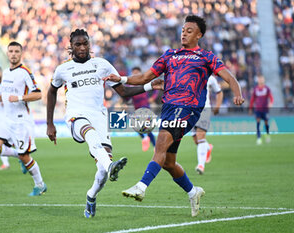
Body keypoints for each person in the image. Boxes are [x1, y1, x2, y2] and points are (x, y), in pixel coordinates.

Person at [104, 15, 244, 217]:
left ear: (199, 35)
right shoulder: (170, 55)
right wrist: (122, 78)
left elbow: (229, 78)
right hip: (169, 108)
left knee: (161, 142)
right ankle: (193, 191)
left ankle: (141, 186)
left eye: (189, 30)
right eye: (183, 30)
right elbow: (145, 77)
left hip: (189, 108)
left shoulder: (207, 57)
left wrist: (237, 93)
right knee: (168, 162)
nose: (184, 33)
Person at [46, 29, 163, 218]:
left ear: (90, 44)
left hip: (99, 117)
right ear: (71, 46)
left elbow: (123, 92)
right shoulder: (63, 69)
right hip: (75, 116)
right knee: (90, 134)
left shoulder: (102, 65)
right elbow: (51, 91)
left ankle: (91, 195)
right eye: (78, 44)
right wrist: (49, 124)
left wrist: (150, 86)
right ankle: (111, 166)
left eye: (85, 43)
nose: (82, 47)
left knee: (100, 170)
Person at [0, 41, 46, 196]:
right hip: (6, 119)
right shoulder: (6, 72)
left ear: (21, 53)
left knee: (26, 156)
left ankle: (40, 185)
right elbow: (5, 95)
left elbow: (38, 94)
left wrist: (19, 97)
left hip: (20, 120)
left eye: (16, 51)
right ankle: (17, 155)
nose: (13, 54)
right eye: (10, 51)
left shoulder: (25, 72)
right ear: (7, 53)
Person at [193, 75, 223, 175]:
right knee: (196, 140)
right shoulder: (188, 73)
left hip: (204, 109)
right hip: (189, 110)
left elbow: (219, 92)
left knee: (200, 136)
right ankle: (207, 147)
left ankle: (201, 165)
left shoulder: (210, 78)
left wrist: (217, 106)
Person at [126, 67, 158, 151]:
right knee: (144, 128)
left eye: (137, 72)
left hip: (145, 106)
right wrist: (126, 101)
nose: (135, 74)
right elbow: (126, 96)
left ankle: (145, 139)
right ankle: (153, 145)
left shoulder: (144, 81)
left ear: (140, 73)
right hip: (136, 107)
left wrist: (153, 98)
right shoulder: (130, 85)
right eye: (134, 72)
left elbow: (155, 89)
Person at [249, 75, 274, 145]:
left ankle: (267, 134)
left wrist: (270, 103)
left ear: (264, 80)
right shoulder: (255, 89)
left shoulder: (267, 89)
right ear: (258, 80)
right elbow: (252, 99)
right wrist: (250, 108)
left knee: (266, 122)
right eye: (259, 79)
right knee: (258, 123)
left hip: (265, 109)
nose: (261, 80)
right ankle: (259, 138)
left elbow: (271, 98)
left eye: (262, 79)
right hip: (258, 109)